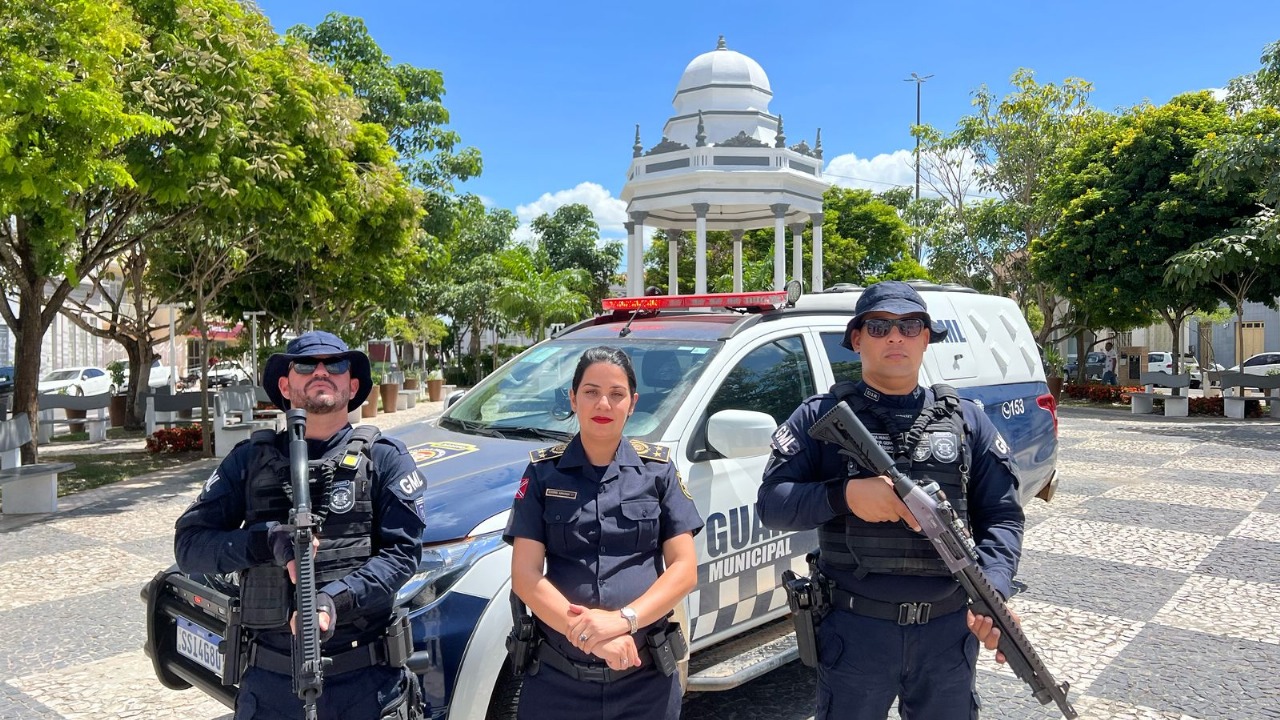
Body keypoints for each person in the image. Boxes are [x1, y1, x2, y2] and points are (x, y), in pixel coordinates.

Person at [756, 281, 1025, 720]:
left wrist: (994, 588)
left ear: (926, 337)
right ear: (857, 339)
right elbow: (772, 503)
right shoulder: (819, 415)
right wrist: (844, 496)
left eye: (910, 325)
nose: (895, 336)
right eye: (879, 326)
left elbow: (1002, 517)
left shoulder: (966, 419)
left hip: (947, 634)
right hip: (855, 631)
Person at [175, 331, 428, 720]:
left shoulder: (384, 459)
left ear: (353, 384)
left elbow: (402, 555)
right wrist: (263, 543)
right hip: (273, 684)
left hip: (366, 682)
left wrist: (334, 600)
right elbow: (190, 546)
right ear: (285, 384)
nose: (322, 372)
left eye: (337, 364)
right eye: (306, 365)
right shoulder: (249, 461)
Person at [504, 346, 703, 720]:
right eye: (592, 392)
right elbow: (525, 576)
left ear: (632, 403)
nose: (604, 404)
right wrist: (590, 635)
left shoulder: (657, 472)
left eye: (617, 394)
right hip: (557, 683)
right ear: (574, 398)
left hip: (644, 682)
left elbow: (683, 569)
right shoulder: (543, 474)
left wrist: (622, 620)